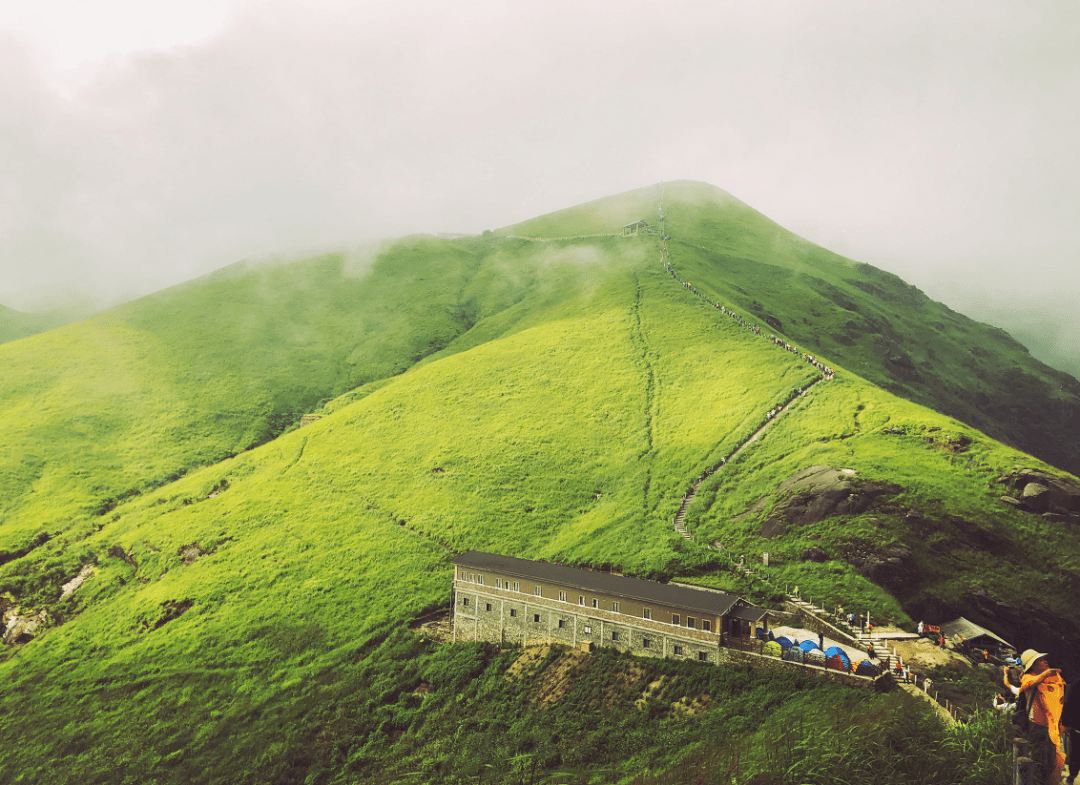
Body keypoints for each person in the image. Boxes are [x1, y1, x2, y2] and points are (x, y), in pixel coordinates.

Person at [1018, 649, 1067, 784]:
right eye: (1040, 660)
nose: (1045, 661)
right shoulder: (1028, 677)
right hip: (1038, 727)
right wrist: (1046, 674)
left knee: (1054, 762)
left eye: (1044, 659)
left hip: (1052, 726)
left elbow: (1059, 700)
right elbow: (1028, 683)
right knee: (1041, 762)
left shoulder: (1050, 679)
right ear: (1033, 665)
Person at [1063, 682, 1079, 785]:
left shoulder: (1076, 684)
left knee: (1076, 753)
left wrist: (1065, 723)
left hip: (1077, 727)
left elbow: (1067, 703)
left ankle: (1071, 777)